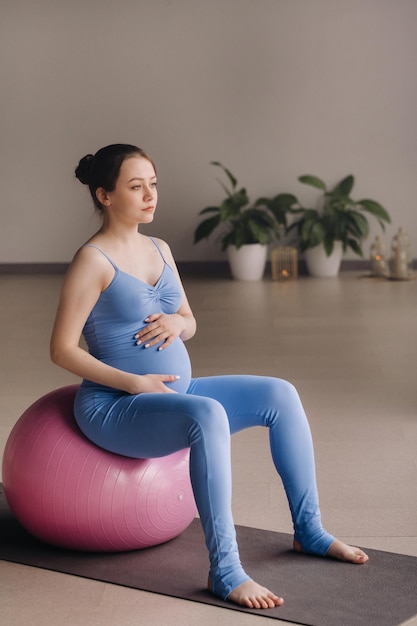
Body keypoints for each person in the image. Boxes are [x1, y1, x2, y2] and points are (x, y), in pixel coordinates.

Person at [50, 143, 369, 610]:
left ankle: (310, 531)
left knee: (280, 393)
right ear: (104, 195)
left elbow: (189, 319)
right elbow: (60, 349)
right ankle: (225, 570)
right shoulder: (93, 260)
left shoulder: (160, 248)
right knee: (207, 413)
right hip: (116, 406)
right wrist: (135, 383)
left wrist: (180, 324)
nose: (149, 195)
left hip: (176, 394)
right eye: (135, 187)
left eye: (153, 184)